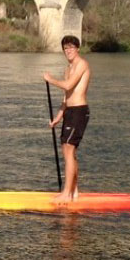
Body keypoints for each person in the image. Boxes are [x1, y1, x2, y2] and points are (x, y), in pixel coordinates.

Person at [43, 34, 91, 204]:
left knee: (68, 152)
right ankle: (73, 192)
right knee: (69, 152)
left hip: (79, 111)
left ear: (77, 48)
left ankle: (65, 193)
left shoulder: (82, 64)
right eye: (65, 48)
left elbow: (69, 85)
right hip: (70, 112)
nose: (68, 51)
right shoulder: (67, 69)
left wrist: (51, 80)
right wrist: (58, 117)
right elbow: (66, 96)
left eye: (71, 47)